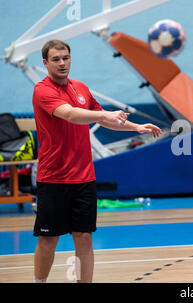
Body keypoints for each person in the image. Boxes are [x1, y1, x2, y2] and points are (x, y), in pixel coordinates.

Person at [32, 40, 162, 283]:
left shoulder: (80, 87)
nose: (62, 63)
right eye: (56, 59)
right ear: (45, 63)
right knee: (48, 239)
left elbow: (103, 120)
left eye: (65, 58)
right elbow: (71, 114)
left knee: (84, 237)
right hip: (54, 177)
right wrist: (103, 113)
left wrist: (136, 127)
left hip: (84, 177)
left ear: (71, 59)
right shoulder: (42, 90)